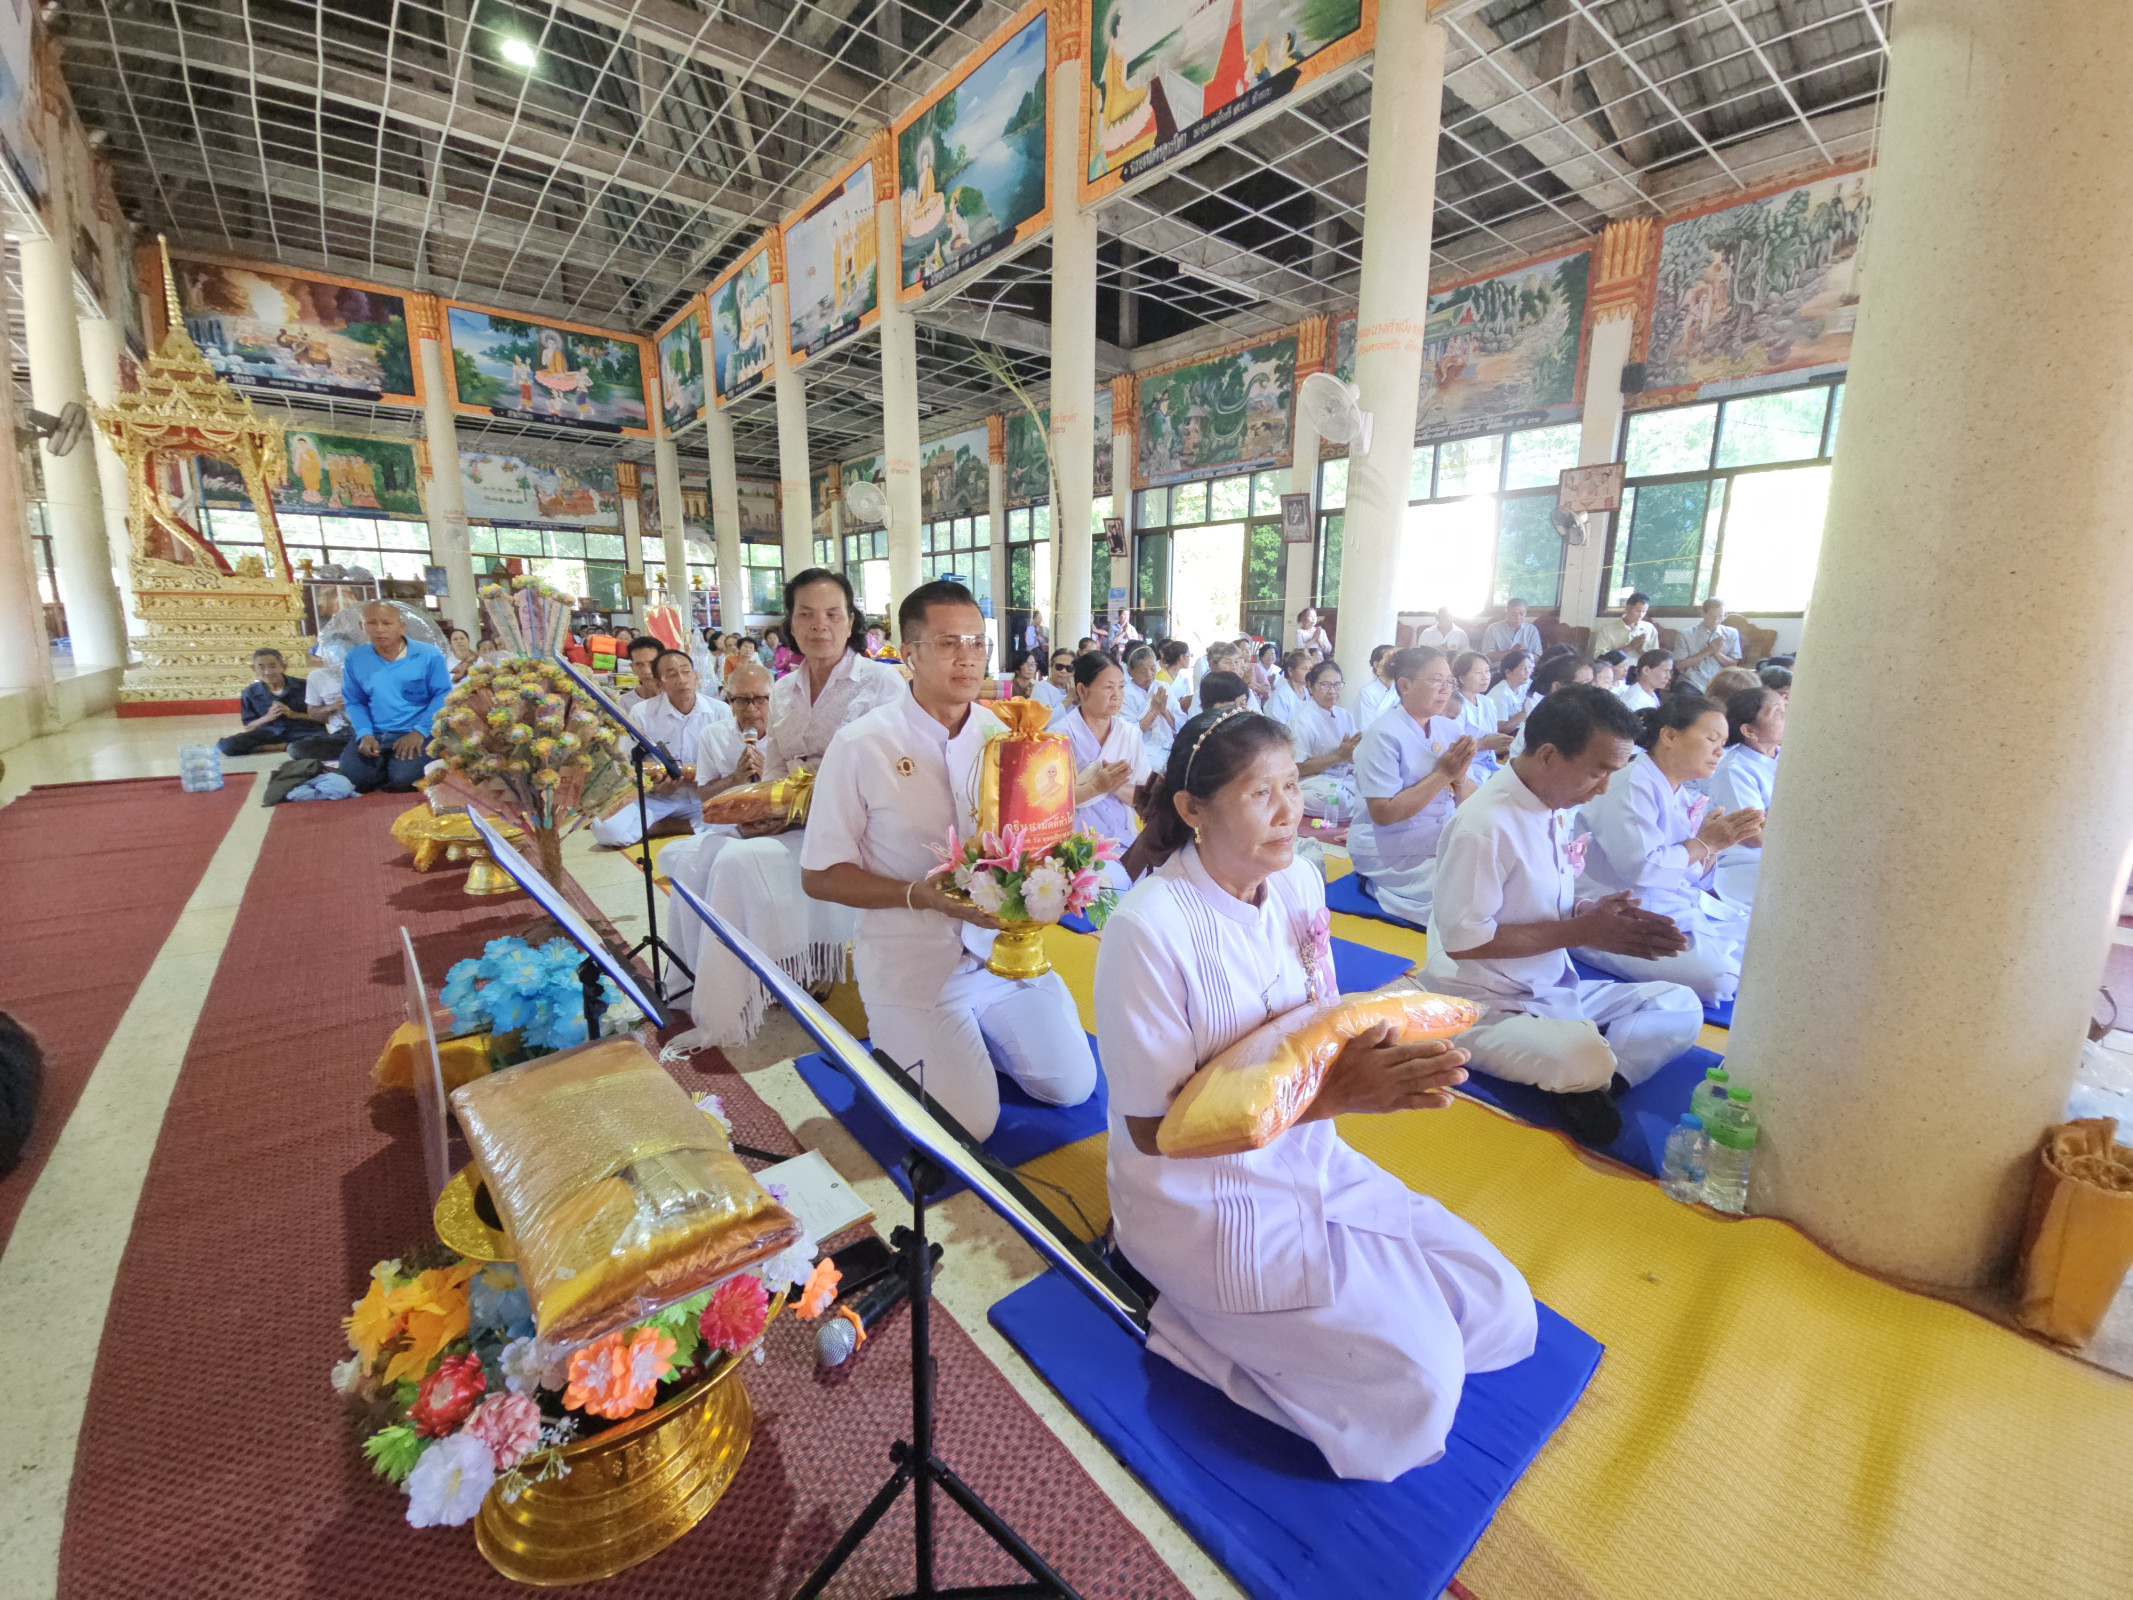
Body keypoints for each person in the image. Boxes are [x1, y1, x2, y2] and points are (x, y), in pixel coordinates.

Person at [1094, 706, 1537, 1481]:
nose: (1289, 811)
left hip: (1310, 1158)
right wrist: (1334, 1098)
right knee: (1416, 1401)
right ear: (1192, 810)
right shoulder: (1148, 927)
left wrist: (1388, 1046)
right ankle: (1176, 1309)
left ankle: (1348, 1317)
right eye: (1261, 792)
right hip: (1202, 1199)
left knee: (1501, 1309)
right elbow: (1147, 1133)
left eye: (1293, 785)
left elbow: (1320, 1017)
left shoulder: (1299, 878)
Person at [803, 580, 1098, 1140]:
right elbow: (818, 876)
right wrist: (921, 894)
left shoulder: (1005, 735)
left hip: (1002, 956)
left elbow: (1038, 834)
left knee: (1070, 1087)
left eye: (978, 642)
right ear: (908, 654)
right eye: (948, 643)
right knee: (969, 1126)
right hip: (914, 964)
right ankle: (924, 1039)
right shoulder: (862, 744)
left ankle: (981, 1037)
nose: (968, 657)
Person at [1422, 686, 1707, 1148]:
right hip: (1482, 1005)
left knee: (1680, 1002)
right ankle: (1588, 1076)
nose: (1604, 787)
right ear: (1550, 756)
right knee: (1582, 1057)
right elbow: (1463, 941)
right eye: (1599, 771)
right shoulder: (1485, 825)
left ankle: (1602, 1089)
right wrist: (1580, 930)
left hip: (1553, 986)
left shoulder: (1551, 805)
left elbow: (1536, 902)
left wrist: (1590, 913)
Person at [665, 569, 908, 1045]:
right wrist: (762, 811)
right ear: (792, 625)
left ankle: (734, 1008)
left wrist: (792, 811)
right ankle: (698, 983)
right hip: (790, 814)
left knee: (736, 860)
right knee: (697, 852)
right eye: (807, 615)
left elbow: (890, 774)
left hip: (854, 823)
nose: (821, 625)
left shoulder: (882, 683)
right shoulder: (783, 688)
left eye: (833, 614)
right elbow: (775, 766)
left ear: (851, 621)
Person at [1573, 694, 1763, 1007]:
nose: (1719, 751)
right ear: (1670, 735)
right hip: (1615, 915)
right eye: (1711, 738)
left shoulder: (1679, 791)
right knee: (1719, 978)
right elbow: (1643, 868)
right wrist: (1704, 844)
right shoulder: (1632, 784)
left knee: (1767, 944)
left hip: (1670, 904)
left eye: (1724, 742)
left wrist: (1710, 851)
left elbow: (1688, 874)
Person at [1348, 647, 1478, 922]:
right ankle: (1376, 884)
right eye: (1435, 681)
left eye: (1449, 682)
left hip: (1441, 839)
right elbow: (1384, 814)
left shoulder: (1450, 729)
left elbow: (1469, 799)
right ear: (1405, 685)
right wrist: (1443, 774)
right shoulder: (1383, 735)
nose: (1445, 690)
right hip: (1392, 849)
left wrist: (1459, 778)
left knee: (1497, 882)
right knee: (1466, 905)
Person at [589, 650, 737, 846]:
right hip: (657, 798)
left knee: (741, 820)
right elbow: (625, 765)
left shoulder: (720, 710)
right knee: (605, 828)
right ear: (659, 684)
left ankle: (665, 827)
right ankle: (686, 825)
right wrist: (652, 785)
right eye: (672, 675)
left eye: (686, 672)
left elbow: (729, 763)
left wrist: (704, 778)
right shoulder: (642, 713)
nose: (682, 680)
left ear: (696, 677)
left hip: (704, 798)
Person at [1053, 652, 1151, 883]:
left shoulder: (1129, 733)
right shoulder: (1058, 736)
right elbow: (1049, 804)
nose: (1117, 695)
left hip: (1123, 840)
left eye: (1120, 687)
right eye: (1108, 687)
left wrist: (1115, 786)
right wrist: (1097, 786)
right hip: (1074, 846)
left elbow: (1147, 798)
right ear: (1082, 691)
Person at [340, 602, 454, 793]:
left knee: (404, 780)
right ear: (363, 627)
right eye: (372, 623)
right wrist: (364, 733)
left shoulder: (427, 654)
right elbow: (354, 700)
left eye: (387, 623)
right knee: (355, 778)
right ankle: (384, 763)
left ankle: (391, 766)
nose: (380, 630)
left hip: (416, 732)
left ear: (401, 627)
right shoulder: (355, 657)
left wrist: (419, 732)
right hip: (375, 733)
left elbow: (442, 695)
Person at [1703, 686, 1784, 908]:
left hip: (1780, 850)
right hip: (1746, 862)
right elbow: (1753, 835)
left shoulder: (1784, 755)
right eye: (1778, 712)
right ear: (1749, 730)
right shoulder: (1736, 768)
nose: (1787, 716)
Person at [1291, 659, 1360, 818]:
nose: (1332, 691)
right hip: (1311, 782)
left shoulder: (1345, 716)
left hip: (1342, 779)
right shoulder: (1302, 720)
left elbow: (1353, 754)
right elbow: (1298, 768)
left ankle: (1357, 808)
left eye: (1337, 685)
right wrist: (1339, 756)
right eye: (1325, 685)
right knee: (1337, 800)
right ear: (1310, 687)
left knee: (1377, 787)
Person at [218, 648, 314, 757]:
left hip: (304, 731)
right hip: (270, 733)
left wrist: (294, 714)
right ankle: (286, 746)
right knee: (227, 745)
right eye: (261, 667)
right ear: (253, 668)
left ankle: (271, 748)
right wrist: (268, 717)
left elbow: (323, 718)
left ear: (283, 667)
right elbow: (249, 727)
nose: (267, 672)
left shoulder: (304, 686)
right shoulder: (250, 692)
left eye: (272, 666)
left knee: (325, 741)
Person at [1123, 644, 1179, 765]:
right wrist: (1154, 711)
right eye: (1143, 671)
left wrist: (1164, 711)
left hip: (1169, 746)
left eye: (1153, 668)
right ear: (1130, 672)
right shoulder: (1125, 694)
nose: (1149, 674)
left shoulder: (1164, 687)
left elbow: (1181, 722)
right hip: (1142, 750)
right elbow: (1129, 734)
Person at [1673, 597, 1742, 693]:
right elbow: (1679, 665)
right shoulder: (1685, 634)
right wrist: (1708, 651)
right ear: (1702, 613)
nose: (1716, 620)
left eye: (1721, 616)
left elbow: (1733, 664)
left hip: (1720, 682)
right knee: (1685, 695)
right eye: (1712, 616)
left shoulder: (1732, 633)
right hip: (1692, 682)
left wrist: (1717, 653)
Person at [296, 648, 353, 761]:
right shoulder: (316, 677)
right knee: (296, 748)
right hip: (341, 735)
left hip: (370, 731)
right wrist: (331, 707)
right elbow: (312, 713)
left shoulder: (370, 672)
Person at [1588, 593, 1659, 660]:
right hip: (1617, 671)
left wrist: (1641, 651)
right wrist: (1629, 647)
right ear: (1628, 609)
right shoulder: (1608, 630)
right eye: (1638, 611)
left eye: (1644, 612)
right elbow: (1599, 657)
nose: (1640, 615)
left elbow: (1656, 659)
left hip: (1642, 671)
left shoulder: (1649, 628)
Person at [1485, 648, 1536, 731]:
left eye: (1529, 668)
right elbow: (1501, 729)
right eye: (1523, 669)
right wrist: (1525, 712)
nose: (1528, 672)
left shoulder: (1526, 684)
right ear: (1508, 672)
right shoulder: (1500, 693)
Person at [1481, 597, 1542, 663]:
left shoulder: (1532, 630)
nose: (1518, 617)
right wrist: (1511, 651)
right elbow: (1487, 657)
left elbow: (1538, 657)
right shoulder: (1492, 629)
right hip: (1498, 670)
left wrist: (1524, 654)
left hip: (1524, 670)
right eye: (1514, 614)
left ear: (1526, 613)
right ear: (1506, 613)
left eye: (1522, 614)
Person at [1262, 648, 1311, 726]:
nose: (1308, 673)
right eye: (1304, 668)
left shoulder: (1306, 691)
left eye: (1310, 669)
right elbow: (1278, 727)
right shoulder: (1281, 695)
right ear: (1290, 671)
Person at [1356, 644, 1399, 726]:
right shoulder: (1367, 692)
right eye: (1389, 661)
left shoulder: (1400, 688)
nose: (1393, 665)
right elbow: (1365, 726)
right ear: (1376, 665)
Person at [1156, 638, 1197, 716]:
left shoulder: (1183, 681)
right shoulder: (1158, 676)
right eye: (1188, 656)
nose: (1189, 659)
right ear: (1181, 658)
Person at [624, 636, 666, 706]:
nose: (647, 671)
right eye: (639, 664)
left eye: (652, 663)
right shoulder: (626, 702)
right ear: (632, 667)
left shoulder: (678, 698)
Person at [1033, 648, 1076, 714]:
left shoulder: (1074, 689)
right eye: (1059, 667)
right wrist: (1069, 699)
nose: (1063, 671)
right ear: (1051, 666)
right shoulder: (1041, 687)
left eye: (1069, 668)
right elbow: (1045, 720)